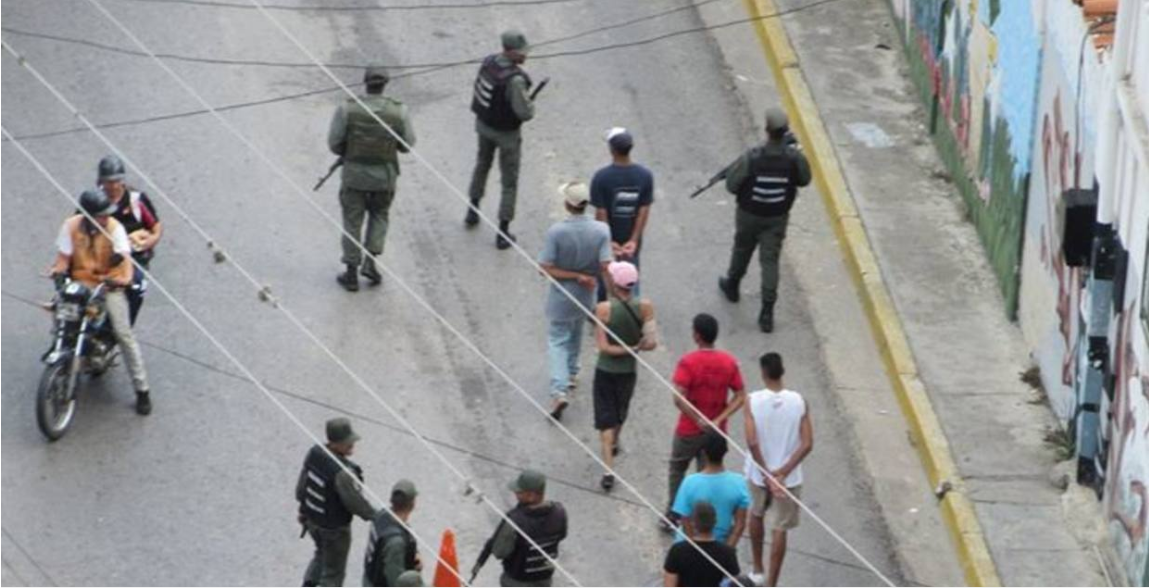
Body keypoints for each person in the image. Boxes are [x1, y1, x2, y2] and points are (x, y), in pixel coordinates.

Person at [49, 189, 152, 415]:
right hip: (81, 283)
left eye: (106, 214)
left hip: (108, 285)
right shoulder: (71, 226)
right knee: (61, 313)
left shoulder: (116, 229)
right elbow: (63, 258)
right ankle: (63, 350)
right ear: (88, 215)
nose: (106, 218)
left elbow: (125, 264)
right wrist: (57, 271)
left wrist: (121, 280)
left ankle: (142, 389)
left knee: (123, 333)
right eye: (101, 215)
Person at [717, 107, 811, 332]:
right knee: (770, 261)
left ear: (767, 130)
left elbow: (732, 186)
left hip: (749, 214)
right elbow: (804, 179)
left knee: (742, 249)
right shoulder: (793, 157)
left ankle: (733, 285)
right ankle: (767, 312)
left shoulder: (753, 157)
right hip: (776, 216)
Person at [327, 65, 416, 291]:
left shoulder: (348, 109)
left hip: (354, 176)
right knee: (379, 216)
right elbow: (407, 145)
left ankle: (351, 272)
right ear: (386, 83)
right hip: (384, 178)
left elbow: (334, 144)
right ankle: (371, 263)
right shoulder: (399, 111)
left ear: (365, 82)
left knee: (352, 221)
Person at [538, 181, 612, 421]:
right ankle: (571, 372)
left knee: (557, 339)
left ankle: (559, 390)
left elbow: (545, 268)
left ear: (568, 204)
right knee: (577, 330)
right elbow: (605, 265)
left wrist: (574, 275)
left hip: (562, 295)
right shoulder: (601, 230)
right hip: (586, 294)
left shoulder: (557, 231)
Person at [667, 314, 746, 524]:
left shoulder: (688, 362)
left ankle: (674, 513)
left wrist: (696, 418)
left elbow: (678, 397)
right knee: (706, 475)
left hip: (688, 430)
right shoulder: (728, 362)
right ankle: (701, 519)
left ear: (697, 336)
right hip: (715, 433)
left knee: (677, 469)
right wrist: (719, 419)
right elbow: (740, 395)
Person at [743, 353, 813, 587]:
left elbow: (752, 442)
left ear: (763, 373)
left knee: (757, 514)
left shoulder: (752, 400)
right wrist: (782, 473)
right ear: (782, 371)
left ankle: (757, 569)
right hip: (789, 479)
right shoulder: (799, 401)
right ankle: (772, 583)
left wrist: (766, 473)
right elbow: (807, 443)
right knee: (780, 529)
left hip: (758, 475)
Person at [466, 30, 536, 250]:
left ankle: (472, 209)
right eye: (522, 53)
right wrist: (530, 104)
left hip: (483, 126)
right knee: (509, 181)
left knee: (482, 165)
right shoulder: (515, 80)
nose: (525, 56)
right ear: (511, 51)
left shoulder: (489, 63)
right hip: (506, 135)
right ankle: (503, 231)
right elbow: (525, 113)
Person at [593, 260, 657, 490]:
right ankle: (615, 442)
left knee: (605, 421)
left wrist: (625, 349)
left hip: (605, 370)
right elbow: (650, 343)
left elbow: (604, 347)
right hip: (628, 372)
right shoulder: (645, 307)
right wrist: (634, 348)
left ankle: (608, 469)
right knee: (620, 413)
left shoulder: (604, 309)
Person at [296, 418, 377, 586]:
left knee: (320, 556)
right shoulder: (342, 472)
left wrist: (304, 511)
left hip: (312, 522)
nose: (352, 444)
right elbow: (356, 504)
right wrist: (377, 516)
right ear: (335, 443)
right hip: (335, 532)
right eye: (347, 442)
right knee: (334, 573)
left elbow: (300, 489)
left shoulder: (315, 454)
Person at [97, 155, 162, 325]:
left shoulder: (136, 200)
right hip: (101, 253)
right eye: (107, 181)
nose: (111, 186)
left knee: (137, 286)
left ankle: (122, 327)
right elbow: (77, 224)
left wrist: (150, 240)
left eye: (115, 181)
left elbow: (155, 227)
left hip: (133, 257)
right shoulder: (94, 200)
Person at [590, 127, 653, 301]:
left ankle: (602, 309)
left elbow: (601, 213)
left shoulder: (601, 178)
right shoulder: (645, 175)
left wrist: (608, 240)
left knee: (604, 272)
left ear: (612, 150)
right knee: (631, 274)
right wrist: (633, 239)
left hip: (610, 239)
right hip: (631, 239)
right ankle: (633, 310)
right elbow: (644, 209)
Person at [480, 470, 568, 587]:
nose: (515, 493)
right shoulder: (559, 512)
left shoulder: (515, 519)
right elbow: (562, 535)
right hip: (544, 578)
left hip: (517, 580)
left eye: (520, 492)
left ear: (531, 496)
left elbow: (499, 552)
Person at [670, 432, 749, 546]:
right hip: (719, 543)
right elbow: (740, 524)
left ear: (704, 453)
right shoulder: (739, 483)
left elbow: (685, 520)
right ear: (725, 452)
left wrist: (695, 548)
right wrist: (727, 551)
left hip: (688, 545)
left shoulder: (690, 482)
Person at [662, 501, 741, 587]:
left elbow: (669, 584)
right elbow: (734, 583)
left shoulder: (677, 550)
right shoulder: (728, 553)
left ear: (693, 523)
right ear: (715, 522)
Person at [364, 480, 421, 587]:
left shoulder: (382, 515)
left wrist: (415, 554)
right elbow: (396, 580)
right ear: (413, 504)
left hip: (369, 577)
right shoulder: (396, 543)